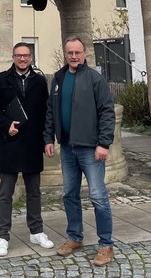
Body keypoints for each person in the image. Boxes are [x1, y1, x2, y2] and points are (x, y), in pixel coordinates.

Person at [44, 35, 115, 267]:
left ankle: (105, 245)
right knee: (69, 194)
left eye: (77, 52)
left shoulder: (94, 79)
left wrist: (104, 143)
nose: (73, 56)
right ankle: (75, 237)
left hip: (90, 149)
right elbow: (50, 112)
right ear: (65, 54)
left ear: (84, 54)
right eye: (70, 53)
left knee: (97, 196)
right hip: (67, 148)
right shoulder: (58, 78)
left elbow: (107, 111)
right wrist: (48, 138)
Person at [0, 42, 54, 257]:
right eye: (18, 55)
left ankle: (36, 231)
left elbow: (46, 112)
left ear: (31, 57)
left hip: (33, 143)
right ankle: (2, 236)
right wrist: (6, 125)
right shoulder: (1, 79)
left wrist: (47, 139)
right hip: (10, 143)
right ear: (13, 57)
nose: (22, 59)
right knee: (6, 192)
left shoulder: (40, 81)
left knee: (34, 192)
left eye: (26, 56)